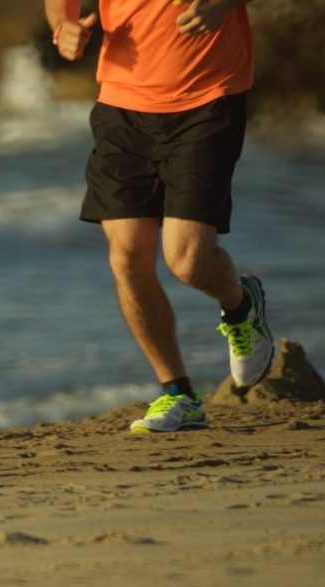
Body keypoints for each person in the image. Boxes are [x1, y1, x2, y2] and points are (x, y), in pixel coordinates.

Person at [44, 0, 273, 433]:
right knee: (126, 257)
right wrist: (63, 27)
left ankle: (242, 304)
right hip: (122, 105)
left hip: (208, 97)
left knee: (187, 261)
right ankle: (178, 393)